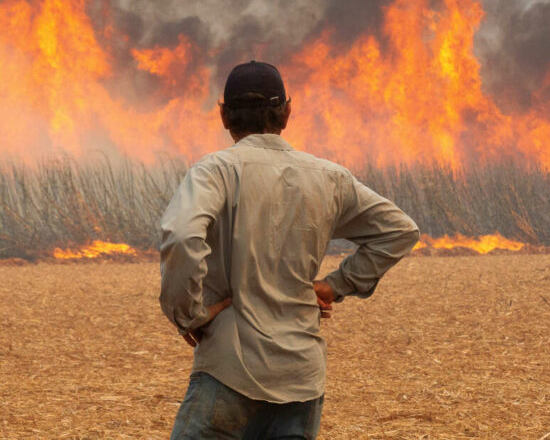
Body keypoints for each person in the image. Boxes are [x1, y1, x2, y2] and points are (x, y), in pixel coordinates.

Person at [159, 60, 420, 439]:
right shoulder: (329, 178)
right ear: (287, 112)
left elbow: (182, 235)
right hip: (301, 377)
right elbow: (399, 230)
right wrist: (335, 285)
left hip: (229, 369)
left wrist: (190, 314)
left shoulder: (214, 172)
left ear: (224, 116)